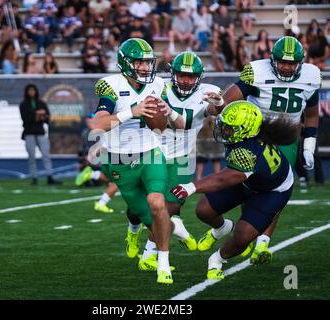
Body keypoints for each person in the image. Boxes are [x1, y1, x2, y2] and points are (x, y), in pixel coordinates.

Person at [203, 36, 322, 265]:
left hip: (286, 138)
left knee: (274, 190)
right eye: (282, 62)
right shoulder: (256, 72)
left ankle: (262, 244)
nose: (286, 67)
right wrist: (217, 103)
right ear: (272, 60)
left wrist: (308, 146)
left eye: (291, 63)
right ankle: (244, 230)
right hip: (254, 135)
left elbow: (312, 114)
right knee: (246, 182)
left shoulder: (311, 75)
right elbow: (224, 103)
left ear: (300, 62)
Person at [86, 38, 186, 284]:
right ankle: (134, 231)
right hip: (119, 160)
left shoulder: (158, 85)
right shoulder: (110, 85)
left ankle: (163, 264)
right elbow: (97, 126)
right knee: (160, 226)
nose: (144, 67)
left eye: (147, 62)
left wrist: (163, 113)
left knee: (157, 202)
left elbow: (170, 127)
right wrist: (132, 111)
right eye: (139, 62)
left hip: (151, 152)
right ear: (125, 63)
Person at [171, 100, 299, 280]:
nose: (223, 129)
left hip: (272, 191)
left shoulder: (247, 151)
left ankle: (216, 259)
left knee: (243, 236)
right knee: (203, 210)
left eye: (229, 128)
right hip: (249, 179)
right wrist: (221, 102)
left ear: (244, 131)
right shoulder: (248, 133)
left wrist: (191, 187)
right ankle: (222, 228)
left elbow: (223, 179)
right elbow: (234, 114)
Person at [135, 52, 222, 270]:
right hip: (154, 152)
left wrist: (219, 102)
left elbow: (215, 109)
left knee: (171, 206)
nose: (186, 80)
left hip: (183, 156)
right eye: (181, 75)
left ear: (199, 78)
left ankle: (149, 255)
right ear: (173, 74)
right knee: (151, 206)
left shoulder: (205, 92)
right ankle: (157, 242)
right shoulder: (158, 86)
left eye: (191, 77)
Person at [19, 84, 62, 186]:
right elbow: (25, 118)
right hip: (29, 133)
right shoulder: (23, 104)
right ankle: (34, 178)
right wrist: (37, 114)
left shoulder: (41, 103)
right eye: (29, 90)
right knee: (32, 157)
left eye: (33, 90)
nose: (31, 92)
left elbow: (47, 118)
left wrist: (43, 116)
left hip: (40, 132)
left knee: (46, 155)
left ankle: (49, 176)